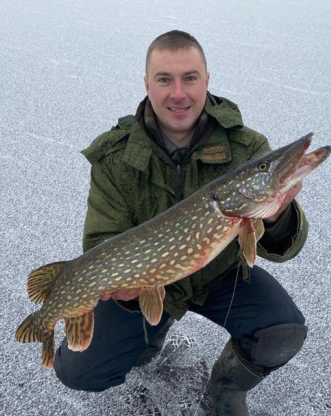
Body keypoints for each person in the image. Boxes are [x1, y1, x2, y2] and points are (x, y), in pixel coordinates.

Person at [53, 30, 309, 416]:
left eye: (190, 78)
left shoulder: (246, 147)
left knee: (282, 329)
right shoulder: (114, 156)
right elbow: (102, 240)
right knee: (79, 371)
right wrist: (123, 286)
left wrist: (276, 214)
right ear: (146, 84)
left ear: (206, 80)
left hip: (220, 275)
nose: (178, 94)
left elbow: (283, 248)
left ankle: (225, 389)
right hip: (148, 283)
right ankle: (148, 337)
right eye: (164, 79)